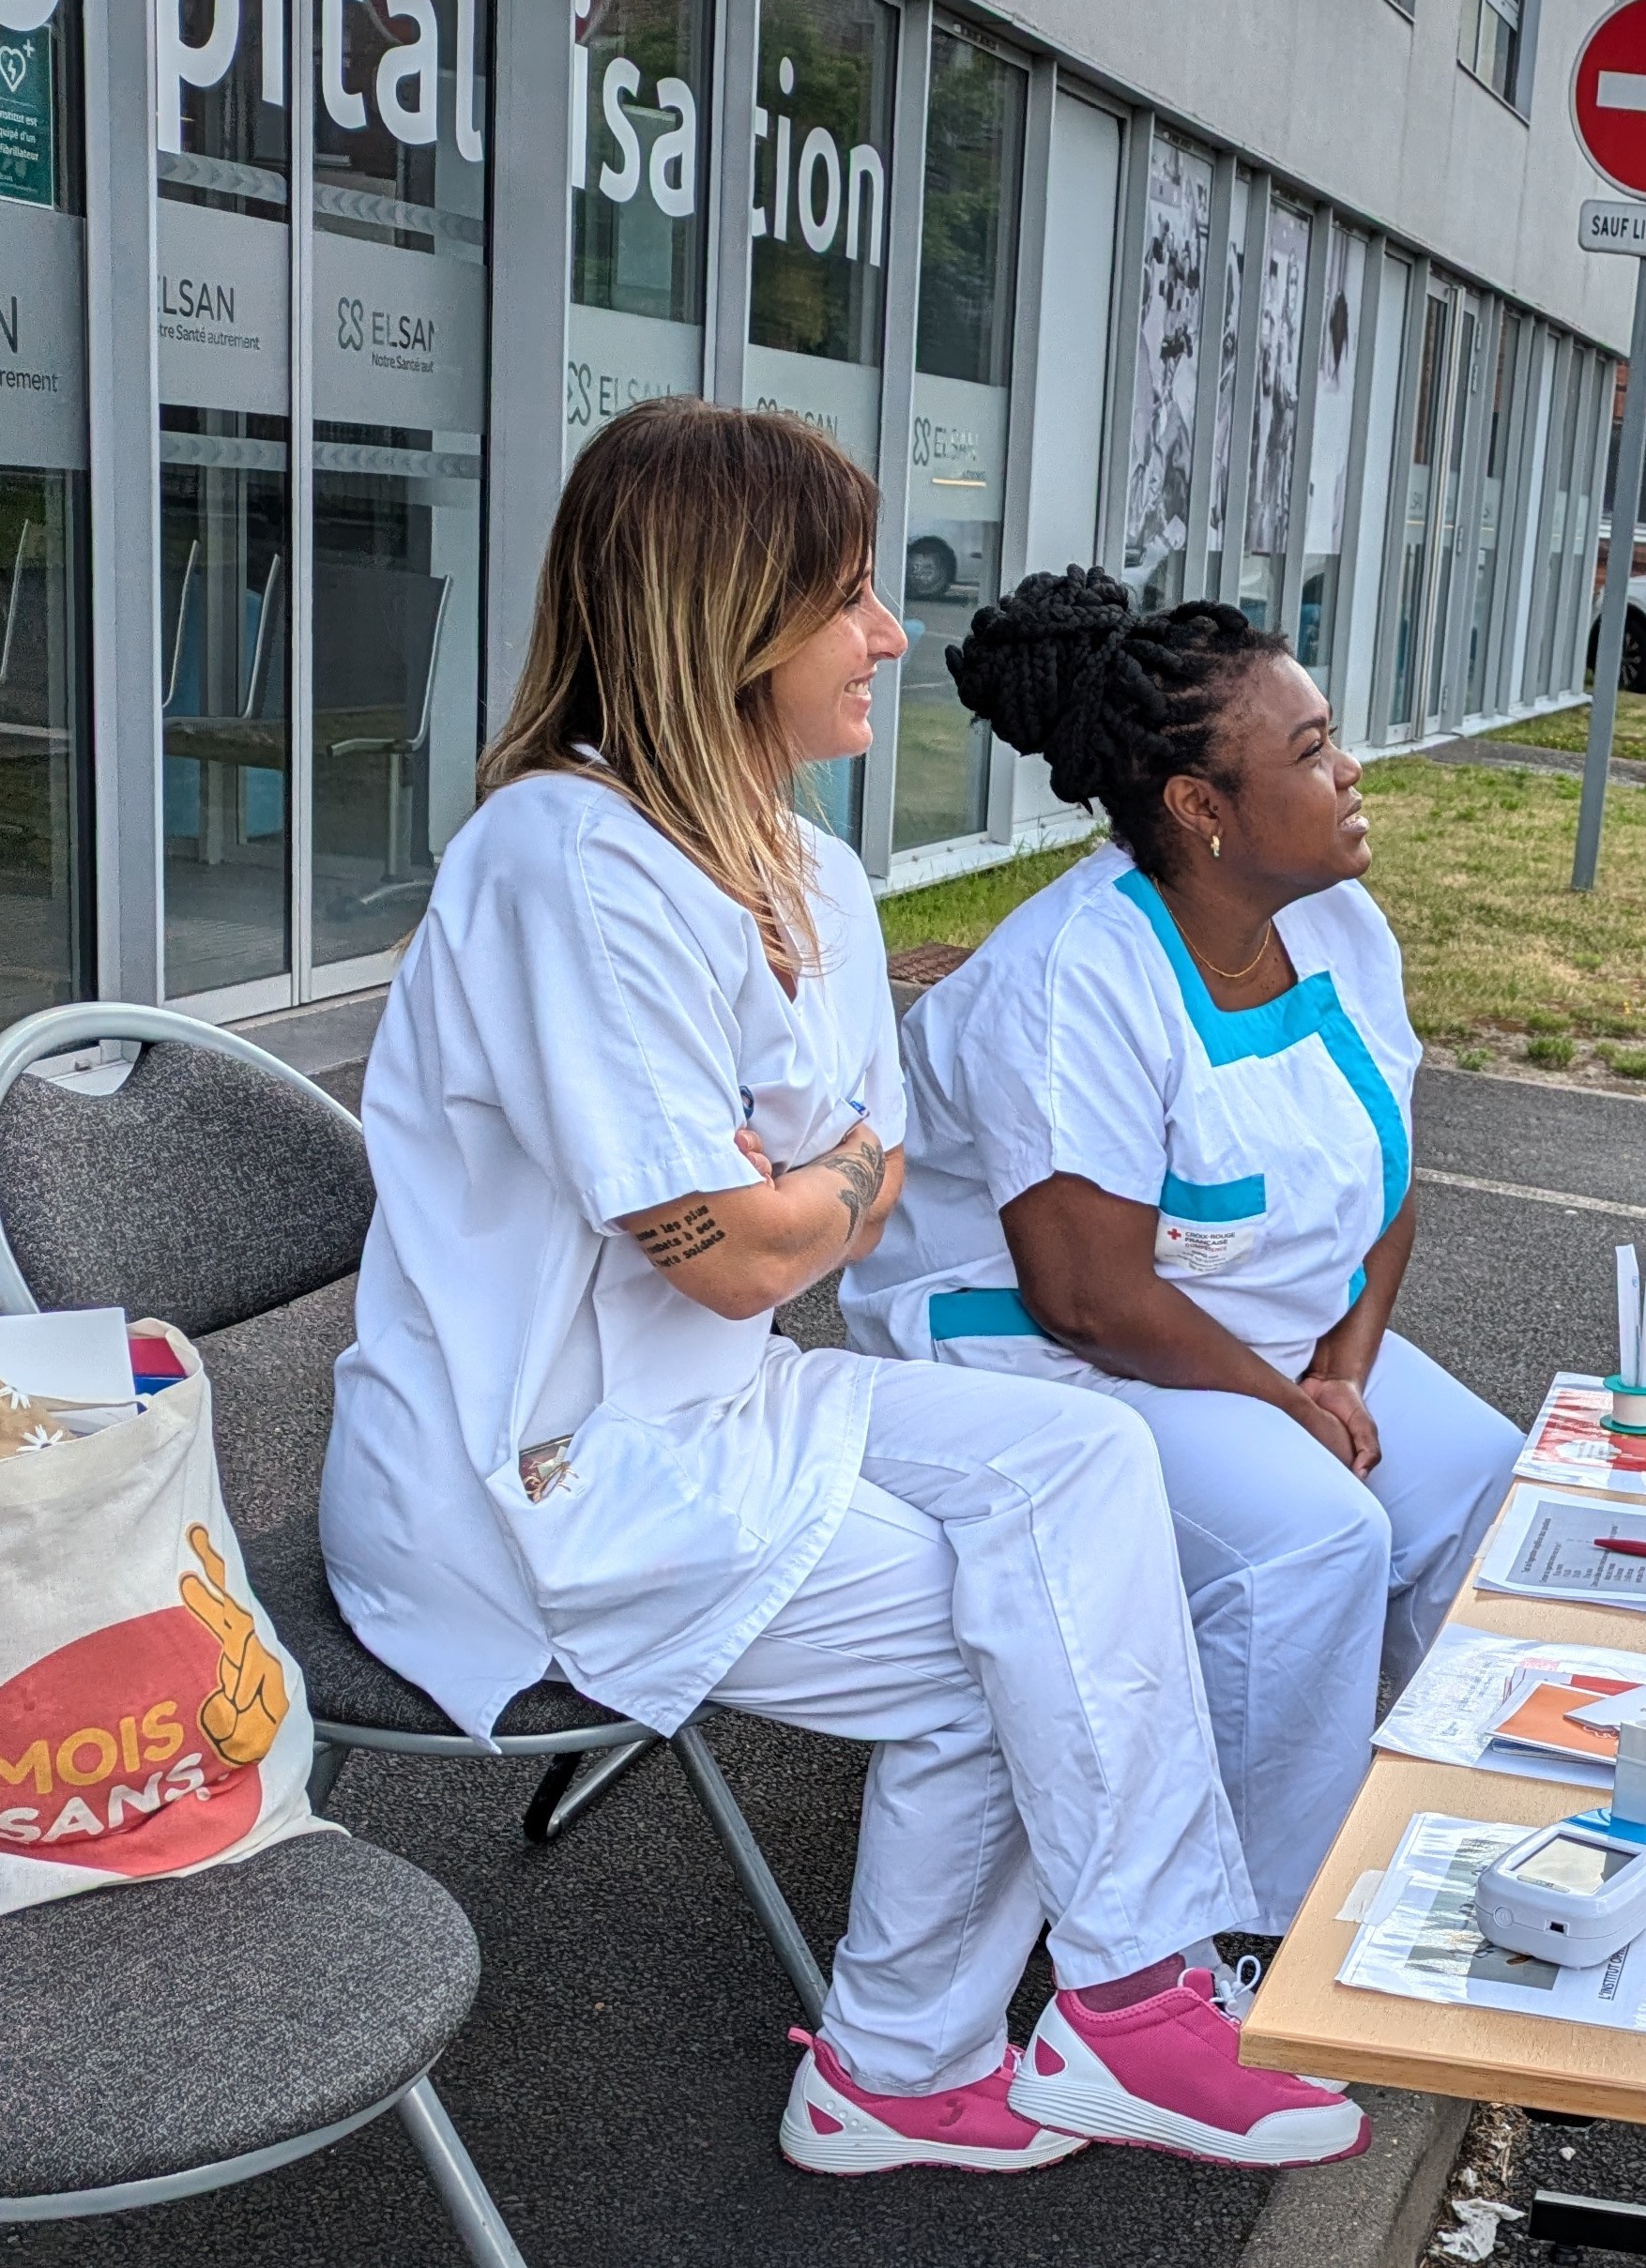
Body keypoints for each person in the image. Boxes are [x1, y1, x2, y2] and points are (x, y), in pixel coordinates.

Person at [319, 402, 1359, 2182]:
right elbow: (735, 1254)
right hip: (536, 1482)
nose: (891, 634)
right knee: (1012, 1633)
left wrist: (793, 1192)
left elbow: (844, 1197)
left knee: (1079, 1471)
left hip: (714, 1417)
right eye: (851, 593)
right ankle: (934, 2055)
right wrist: (796, 1195)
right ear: (722, 611)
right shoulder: (568, 861)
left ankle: (1096, 2002)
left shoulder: (804, 869)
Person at [843, 566, 1519, 1928]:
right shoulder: (1068, 978)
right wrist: (1292, 1408)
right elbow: (1086, 1297)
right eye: (1315, 752)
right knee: (1308, 1540)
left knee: (1485, 1492)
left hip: (1264, 1336)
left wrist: (1342, 1365)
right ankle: (1248, 1931)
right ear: (1203, 808)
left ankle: (1419, 1830)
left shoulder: (1335, 921)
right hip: (1046, 1364)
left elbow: (1387, 1169)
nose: (1352, 773)